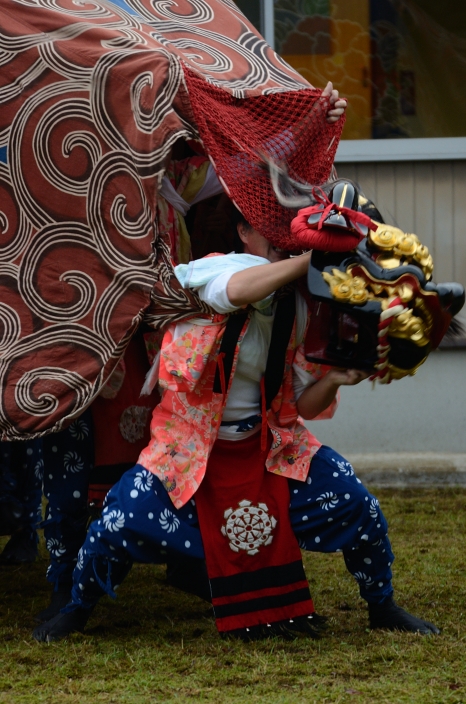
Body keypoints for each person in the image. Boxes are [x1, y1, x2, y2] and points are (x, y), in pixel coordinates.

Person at [33, 200, 440, 642]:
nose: (286, 242)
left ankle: (382, 606)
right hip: (188, 447)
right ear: (244, 232)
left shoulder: (303, 303)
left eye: (294, 236)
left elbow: (302, 404)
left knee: (357, 505)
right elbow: (236, 292)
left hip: (270, 446)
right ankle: (76, 609)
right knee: (118, 520)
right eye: (275, 234)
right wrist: (311, 260)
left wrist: (339, 377)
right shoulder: (214, 270)